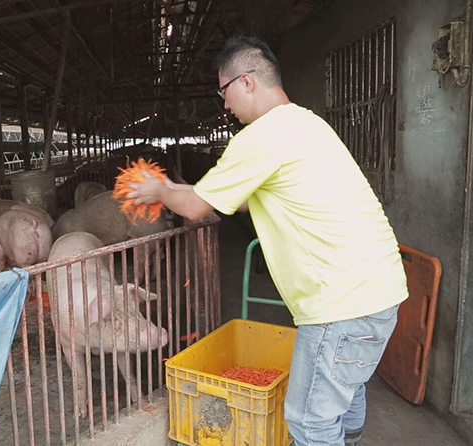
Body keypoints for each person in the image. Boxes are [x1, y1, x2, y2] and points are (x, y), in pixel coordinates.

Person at [127, 36, 407, 446]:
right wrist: (178, 190)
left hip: (340, 304)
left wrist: (157, 188)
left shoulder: (261, 136)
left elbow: (195, 207)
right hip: (382, 292)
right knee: (346, 394)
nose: (225, 105)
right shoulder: (307, 123)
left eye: (224, 91)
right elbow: (236, 199)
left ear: (246, 81)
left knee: (310, 422)